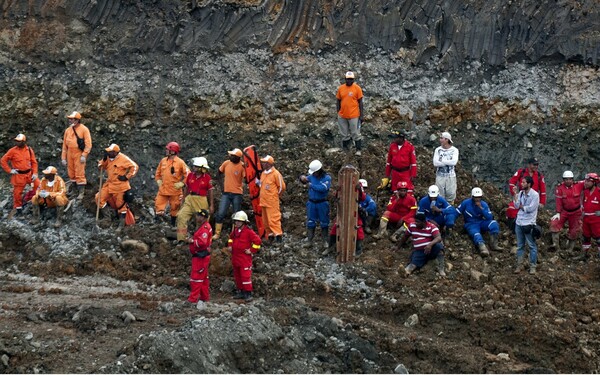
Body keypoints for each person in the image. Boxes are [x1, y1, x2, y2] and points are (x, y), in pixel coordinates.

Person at [96, 144, 139, 229]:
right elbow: (101, 167)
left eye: (110, 152)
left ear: (115, 153)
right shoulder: (108, 158)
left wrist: (127, 177)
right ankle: (107, 218)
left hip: (120, 186)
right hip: (109, 184)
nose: (108, 153)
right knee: (99, 198)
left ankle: (121, 225)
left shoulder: (123, 158)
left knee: (121, 206)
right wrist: (103, 161)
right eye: (107, 151)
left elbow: (134, 167)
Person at [176, 157, 214, 244]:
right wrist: (183, 199)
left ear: (201, 168)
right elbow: (186, 188)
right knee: (181, 216)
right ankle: (182, 239)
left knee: (203, 220)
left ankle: (201, 240)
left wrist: (211, 205)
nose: (194, 168)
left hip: (201, 200)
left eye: (196, 166)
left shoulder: (207, 178)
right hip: (190, 199)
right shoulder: (190, 175)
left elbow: (211, 191)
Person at [1, 134, 40, 219]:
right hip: (19, 175)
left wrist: (35, 173)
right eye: (16, 141)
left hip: (29, 174)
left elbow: (34, 162)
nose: (17, 143)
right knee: (17, 193)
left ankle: (38, 201)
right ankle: (18, 209)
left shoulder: (29, 150)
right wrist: (10, 170)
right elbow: (3, 160)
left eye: (19, 141)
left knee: (38, 185)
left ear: (24, 142)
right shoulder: (12, 151)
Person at [395, 212, 446, 277]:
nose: (416, 223)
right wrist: (398, 246)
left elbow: (438, 238)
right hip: (419, 251)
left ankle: (441, 269)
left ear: (424, 222)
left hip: (431, 249)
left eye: (418, 222)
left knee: (439, 247)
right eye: (415, 221)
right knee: (414, 263)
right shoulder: (412, 226)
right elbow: (405, 237)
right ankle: (406, 272)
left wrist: (430, 245)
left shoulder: (432, 227)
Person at [456, 187, 502, 257]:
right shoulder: (466, 203)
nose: (477, 199)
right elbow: (457, 212)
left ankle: (494, 244)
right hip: (470, 224)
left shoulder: (484, 204)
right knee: (476, 234)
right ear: (472, 196)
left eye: (479, 197)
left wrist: (481, 208)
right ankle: (482, 248)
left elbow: (489, 217)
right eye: (475, 197)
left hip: (480, 222)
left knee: (494, 224)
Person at [227, 211, 262, 301]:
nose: (236, 223)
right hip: (236, 257)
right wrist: (230, 246)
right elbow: (230, 238)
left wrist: (251, 250)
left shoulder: (249, 232)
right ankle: (241, 292)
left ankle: (248, 293)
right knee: (238, 276)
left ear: (244, 222)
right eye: (236, 221)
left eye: (239, 221)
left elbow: (257, 241)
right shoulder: (235, 231)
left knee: (245, 276)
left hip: (244, 258)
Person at [213, 148, 246, 240]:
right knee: (220, 213)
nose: (230, 157)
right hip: (226, 193)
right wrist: (221, 186)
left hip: (237, 194)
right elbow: (218, 173)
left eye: (232, 156)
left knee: (236, 215)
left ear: (237, 157)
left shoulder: (242, 166)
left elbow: (247, 179)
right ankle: (217, 233)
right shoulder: (226, 163)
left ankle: (234, 235)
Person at [154, 142, 189, 227]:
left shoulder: (180, 162)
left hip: (175, 190)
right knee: (158, 204)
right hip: (163, 189)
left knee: (175, 208)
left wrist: (182, 183)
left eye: (168, 149)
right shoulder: (163, 161)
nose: (166, 151)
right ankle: (157, 224)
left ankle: (173, 225)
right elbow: (157, 173)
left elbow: (188, 174)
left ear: (173, 151)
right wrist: (158, 180)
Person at [299, 160, 331, 249]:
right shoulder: (312, 176)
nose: (313, 174)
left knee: (324, 222)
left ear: (319, 170)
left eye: (315, 172)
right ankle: (309, 240)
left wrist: (311, 185)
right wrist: (302, 178)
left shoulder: (327, 178)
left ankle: (325, 240)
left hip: (322, 203)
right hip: (312, 203)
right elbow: (304, 180)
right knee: (310, 221)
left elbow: (323, 188)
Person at [61, 111, 92, 200]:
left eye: (72, 119)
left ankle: (81, 192)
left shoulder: (84, 129)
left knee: (80, 173)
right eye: (70, 119)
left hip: (79, 153)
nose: (70, 120)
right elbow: (64, 146)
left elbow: (88, 144)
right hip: (70, 153)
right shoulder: (67, 130)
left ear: (77, 120)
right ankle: (74, 190)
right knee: (71, 173)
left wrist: (84, 155)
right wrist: (63, 158)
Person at [550, 170, 583, 251]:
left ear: (572, 179)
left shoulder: (578, 185)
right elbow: (558, 201)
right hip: (564, 211)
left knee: (574, 230)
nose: (568, 181)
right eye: (566, 179)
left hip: (576, 212)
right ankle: (556, 246)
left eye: (570, 179)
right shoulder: (560, 188)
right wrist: (558, 213)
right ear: (563, 180)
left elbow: (590, 181)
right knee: (554, 224)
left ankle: (570, 250)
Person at [513, 176, 540, 274]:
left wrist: (522, 207)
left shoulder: (535, 195)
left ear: (529, 184)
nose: (521, 184)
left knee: (532, 245)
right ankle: (519, 265)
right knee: (520, 245)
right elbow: (516, 205)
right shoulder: (520, 193)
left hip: (528, 223)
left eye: (524, 182)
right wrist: (515, 194)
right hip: (519, 222)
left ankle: (533, 266)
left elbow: (531, 208)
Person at [256, 155, 286, 243]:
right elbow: (263, 185)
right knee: (265, 221)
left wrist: (275, 196)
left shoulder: (276, 174)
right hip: (264, 201)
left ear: (269, 164)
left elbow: (282, 187)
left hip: (272, 201)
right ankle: (270, 235)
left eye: (264, 163)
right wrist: (258, 184)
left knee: (274, 218)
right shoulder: (263, 173)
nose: (262, 164)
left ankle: (278, 236)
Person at [186, 209, 212, 306]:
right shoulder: (202, 227)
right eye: (197, 215)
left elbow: (202, 242)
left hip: (201, 256)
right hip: (200, 256)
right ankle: (204, 297)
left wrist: (192, 241)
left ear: (204, 217)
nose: (197, 217)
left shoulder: (205, 228)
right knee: (204, 278)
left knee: (196, 278)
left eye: (200, 216)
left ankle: (193, 299)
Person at [336, 71, 364, 155]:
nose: (349, 81)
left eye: (351, 79)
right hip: (342, 115)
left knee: (355, 133)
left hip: (354, 115)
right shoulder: (341, 88)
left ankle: (358, 150)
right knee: (344, 133)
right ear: (345, 79)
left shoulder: (357, 88)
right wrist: (338, 112)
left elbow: (360, 102)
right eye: (348, 79)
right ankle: (346, 150)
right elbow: (338, 100)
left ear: (353, 79)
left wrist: (361, 115)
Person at [578, 173, 600, 261]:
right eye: (585, 181)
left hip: (596, 220)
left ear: (594, 182)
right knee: (586, 237)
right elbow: (583, 204)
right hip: (586, 219)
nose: (586, 183)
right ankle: (584, 255)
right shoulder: (586, 192)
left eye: (588, 181)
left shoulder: (599, 192)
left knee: (599, 238)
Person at [433, 131, 459, 204]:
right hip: (440, 176)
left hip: (451, 176)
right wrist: (448, 162)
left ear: (447, 140)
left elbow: (454, 162)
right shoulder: (438, 150)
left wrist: (442, 161)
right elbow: (435, 163)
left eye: (442, 138)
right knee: (439, 194)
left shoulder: (454, 150)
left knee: (451, 193)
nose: (440, 140)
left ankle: (450, 208)